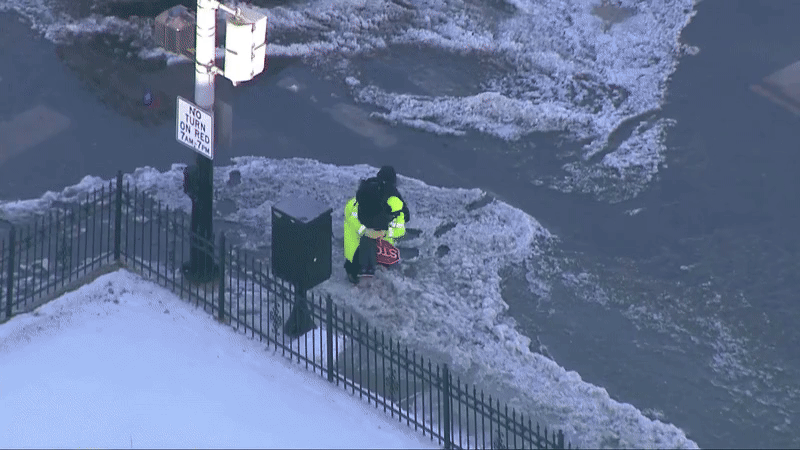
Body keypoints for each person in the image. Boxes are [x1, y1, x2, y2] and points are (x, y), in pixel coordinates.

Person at [343, 178, 388, 284]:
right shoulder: (373, 194)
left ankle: (365, 267)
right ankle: (368, 266)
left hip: (367, 215)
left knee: (364, 243)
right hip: (370, 216)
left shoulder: (365, 194)